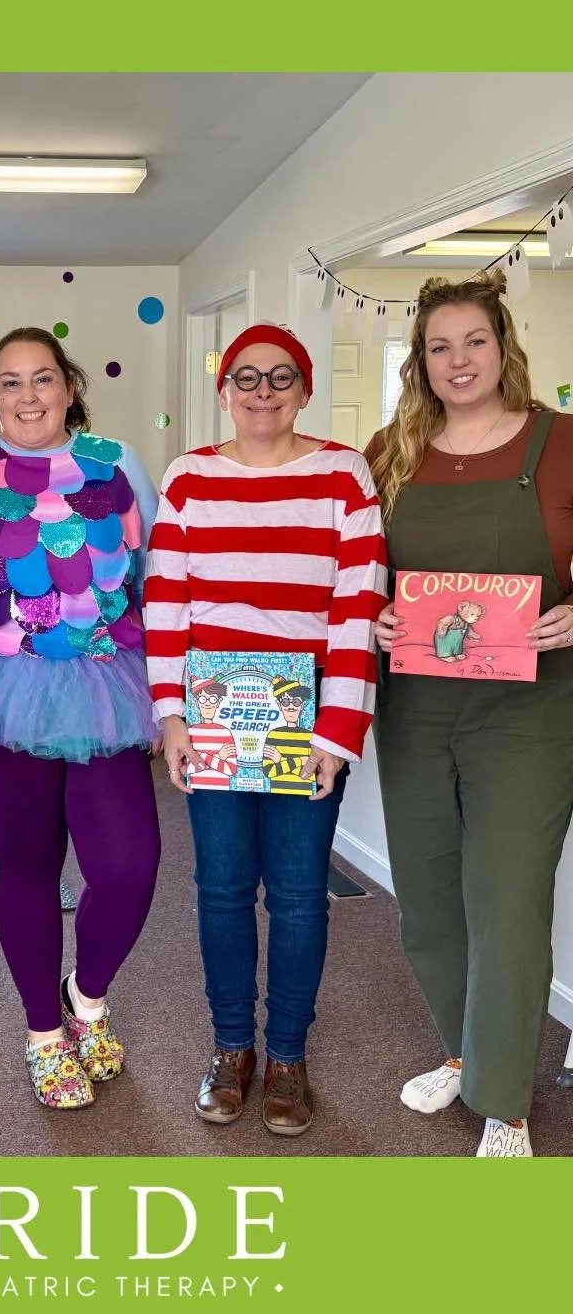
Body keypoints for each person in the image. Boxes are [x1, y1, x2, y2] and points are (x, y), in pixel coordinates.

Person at [0, 326, 162, 1109]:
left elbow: (156, 575)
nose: (27, 396)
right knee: (27, 865)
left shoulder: (118, 464)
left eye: (42, 379)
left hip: (106, 686)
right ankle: (43, 1033)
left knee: (129, 865)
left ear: (69, 387)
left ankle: (87, 998)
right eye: (9, 382)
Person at [145, 321, 386, 1137]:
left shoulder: (344, 477)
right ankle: (230, 1047)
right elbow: (167, 605)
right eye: (246, 378)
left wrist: (337, 733)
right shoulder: (189, 478)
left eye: (280, 378)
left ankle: (287, 1056)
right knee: (219, 889)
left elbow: (359, 608)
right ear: (224, 390)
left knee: (295, 897)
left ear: (305, 388)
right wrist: (170, 715)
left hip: (305, 716)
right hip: (213, 713)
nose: (262, 392)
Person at [366, 270, 573, 1158]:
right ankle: (463, 1050)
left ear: (504, 346)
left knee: (508, 902)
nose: (458, 360)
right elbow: (354, 569)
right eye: (439, 346)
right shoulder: (389, 453)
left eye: (474, 342)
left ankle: (505, 1100)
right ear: (420, 360)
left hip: (528, 714)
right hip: (414, 706)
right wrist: (367, 611)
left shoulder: (561, 443)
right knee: (428, 898)